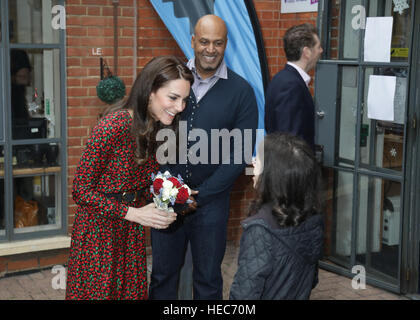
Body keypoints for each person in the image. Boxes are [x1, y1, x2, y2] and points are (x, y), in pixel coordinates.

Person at [65, 56, 194, 300]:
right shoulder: (114, 125)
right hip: (98, 235)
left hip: (129, 235)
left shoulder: (157, 128)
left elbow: (141, 184)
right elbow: (81, 190)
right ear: (150, 91)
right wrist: (134, 214)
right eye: (173, 98)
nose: (180, 108)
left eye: (184, 100)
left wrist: (173, 193)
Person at [149, 14, 259, 300]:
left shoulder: (242, 92)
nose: (211, 49)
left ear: (226, 45)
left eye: (218, 43)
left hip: (211, 205)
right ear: (193, 41)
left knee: (208, 280)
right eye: (205, 41)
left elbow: (239, 154)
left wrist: (201, 195)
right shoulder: (169, 82)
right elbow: (152, 130)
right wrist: (167, 186)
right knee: (162, 276)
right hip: (166, 199)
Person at [229, 133, 324, 300]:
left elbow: (245, 294)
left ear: (272, 175)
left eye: (257, 161)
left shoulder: (260, 230)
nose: (252, 163)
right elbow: (312, 280)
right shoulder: (313, 217)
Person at [264, 23, 323, 151]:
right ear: (306, 52)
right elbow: (289, 142)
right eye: (318, 47)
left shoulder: (283, 79)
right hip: (292, 168)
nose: (321, 51)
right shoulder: (291, 85)